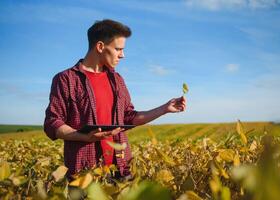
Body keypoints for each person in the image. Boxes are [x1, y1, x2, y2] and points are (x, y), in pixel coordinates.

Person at [44, 19, 186, 180]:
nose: (122, 55)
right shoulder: (66, 79)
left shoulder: (117, 80)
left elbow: (129, 117)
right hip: (85, 173)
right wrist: (83, 136)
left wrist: (164, 108)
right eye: (118, 49)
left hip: (121, 169)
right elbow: (53, 123)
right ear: (100, 47)